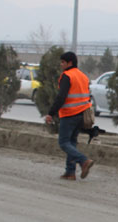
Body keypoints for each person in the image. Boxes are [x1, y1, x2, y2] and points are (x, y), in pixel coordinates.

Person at [44, 52, 95, 181]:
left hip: (69, 114)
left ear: (69, 63)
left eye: (63, 62)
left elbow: (61, 97)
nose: (61, 64)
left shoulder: (67, 76)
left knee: (63, 143)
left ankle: (84, 161)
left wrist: (51, 113)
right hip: (82, 114)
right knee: (71, 142)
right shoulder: (83, 76)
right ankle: (70, 172)